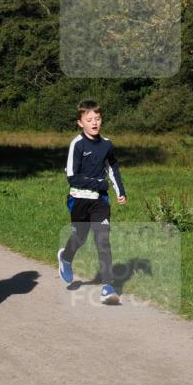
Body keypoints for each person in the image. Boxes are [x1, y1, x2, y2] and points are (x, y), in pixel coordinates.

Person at [57, 100, 127, 303]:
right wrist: (99, 183)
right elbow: (72, 176)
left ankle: (108, 286)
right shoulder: (77, 144)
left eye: (97, 119)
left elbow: (113, 168)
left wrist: (119, 190)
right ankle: (66, 258)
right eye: (89, 120)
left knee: (102, 239)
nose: (94, 123)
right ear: (80, 123)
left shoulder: (106, 144)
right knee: (80, 236)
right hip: (78, 200)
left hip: (100, 202)